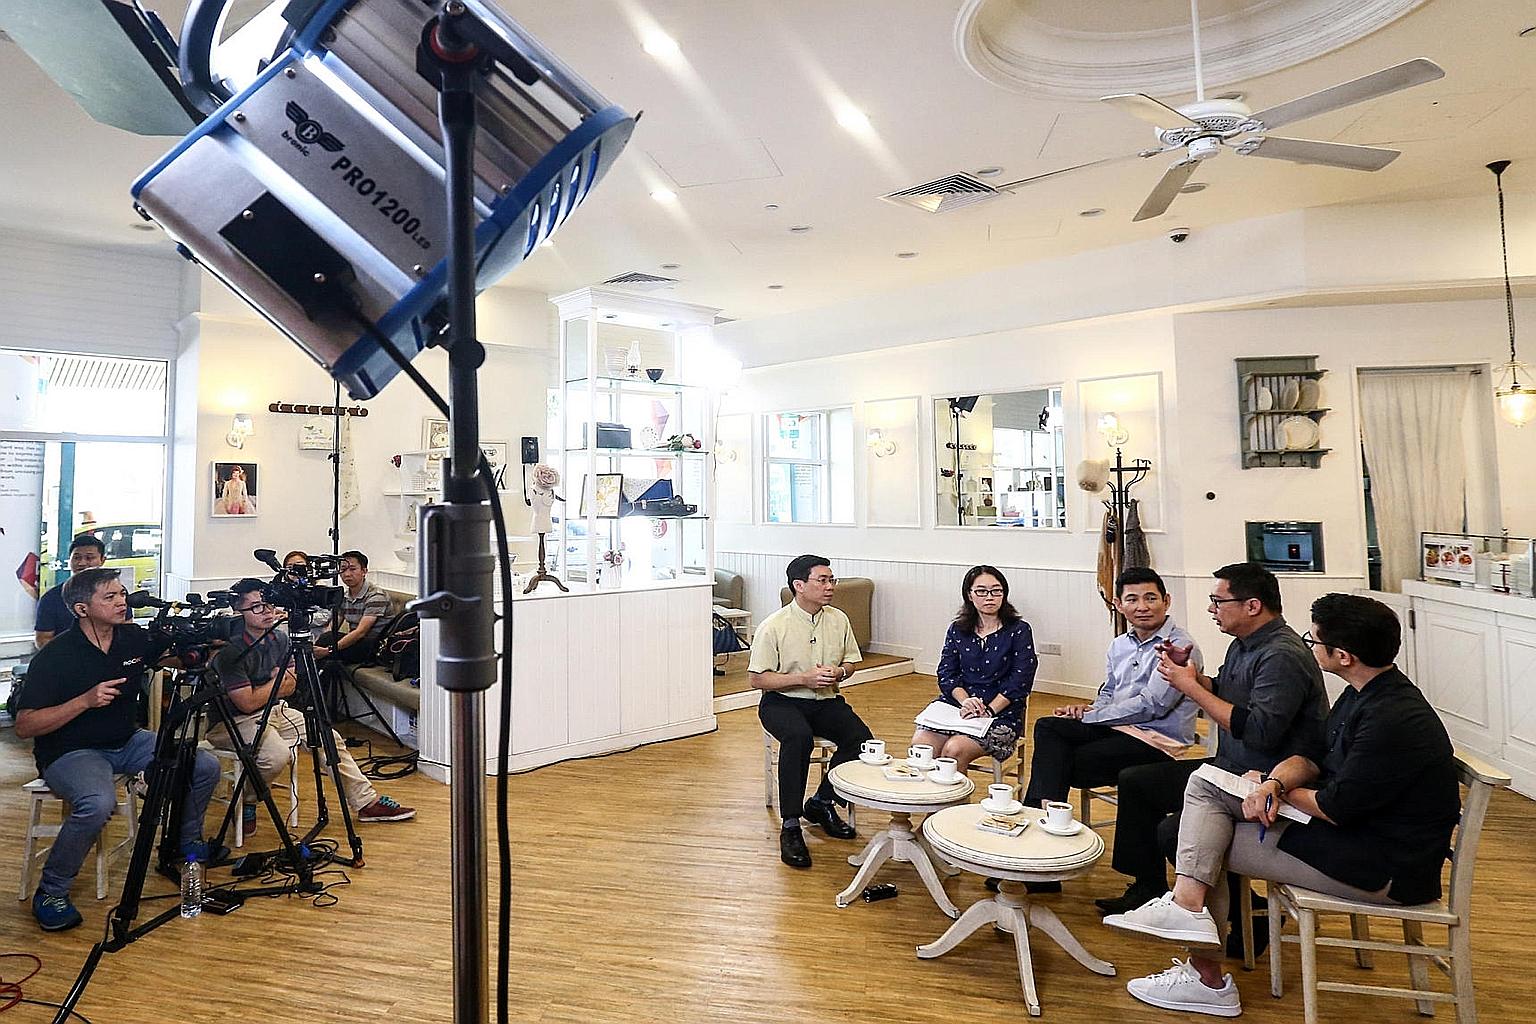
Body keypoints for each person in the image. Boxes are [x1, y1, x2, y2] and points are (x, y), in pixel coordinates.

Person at [1107, 593, 1461, 1017]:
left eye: (1316, 642)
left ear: (1343, 655)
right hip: (1352, 839)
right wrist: (1274, 782)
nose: (1310, 647)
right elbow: (1314, 759)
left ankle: (1204, 966)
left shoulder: (1391, 717)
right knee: (1204, 798)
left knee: (1200, 834)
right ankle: (1193, 932)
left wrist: (1276, 791)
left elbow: (1335, 806)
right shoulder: (1365, 693)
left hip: (1382, 867)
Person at [1095, 562, 1329, 924]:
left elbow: (1258, 731)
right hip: (1231, 767)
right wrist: (1192, 677)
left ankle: (1244, 914)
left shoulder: (1280, 655)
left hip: (1267, 777)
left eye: (1218, 601)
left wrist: (1189, 688)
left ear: (1252, 606)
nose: (1211, 609)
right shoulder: (1244, 645)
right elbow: (1224, 690)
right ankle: (1147, 886)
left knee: (1171, 830)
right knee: (1137, 782)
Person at [14, 567, 221, 931]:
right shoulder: (56, 655)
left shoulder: (131, 638)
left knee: (202, 765)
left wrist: (198, 653)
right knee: (97, 803)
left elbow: (163, 658)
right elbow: (25, 725)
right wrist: (83, 701)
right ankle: (50, 890)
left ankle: (184, 846)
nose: (122, 601)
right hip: (71, 752)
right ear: (81, 609)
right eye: (110, 597)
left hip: (126, 740)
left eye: (122, 594)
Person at [1022, 568, 1201, 893]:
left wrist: (1093, 718)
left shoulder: (1181, 647)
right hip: (1115, 730)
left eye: (1151, 598)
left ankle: (1038, 851)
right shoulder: (1120, 644)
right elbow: (1109, 691)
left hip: (1154, 742)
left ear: (1166, 601)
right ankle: (1042, 846)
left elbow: (1153, 705)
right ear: (1118, 604)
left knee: (1058, 764)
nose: (1142, 606)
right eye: (1132, 599)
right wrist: (1087, 710)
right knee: (1049, 727)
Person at [209, 578, 416, 826]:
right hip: (231, 722)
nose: (266, 611)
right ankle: (246, 800)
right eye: (255, 607)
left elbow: (291, 684)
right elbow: (246, 704)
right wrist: (276, 683)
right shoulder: (230, 651)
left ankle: (366, 803)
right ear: (238, 611)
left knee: (330, 738)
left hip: (274, 711)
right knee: (276, 755)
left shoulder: (280, 638)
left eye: (267, 604)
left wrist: (271, 687)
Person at [752, 554, 871, 869]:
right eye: (823, 580)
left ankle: (821, 801)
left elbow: (851, 663)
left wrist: (840, 673)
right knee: (799, 738)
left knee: (861, 739)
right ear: (799, 586)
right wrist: (801, 679)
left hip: (826, 699)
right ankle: (791, 824)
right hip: (782, 701)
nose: (830, 586)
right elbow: (757, 678)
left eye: (832, 580)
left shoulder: (839, 619)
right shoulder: (773, 626)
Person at [912, 565, 1036, 776]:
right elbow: (946, 674)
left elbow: (1020, 681)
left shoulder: (1019, 630)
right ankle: (931, 807)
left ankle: (954, 809)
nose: (990, 597)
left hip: (1000, 713)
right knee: (921, 745)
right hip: (958, 708)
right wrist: (966, 701)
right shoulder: (958, 629)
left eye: (996, 591)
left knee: (954, 749)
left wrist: (988, 711)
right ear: (969, 595)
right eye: (981, 591)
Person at [316, 550, 390, 665]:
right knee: (326, 641)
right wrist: (316, 647)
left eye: (352, 569)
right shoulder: (344, 596)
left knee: (328, 648)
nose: (347, 574)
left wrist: (328, 650)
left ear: (364, 571)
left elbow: (361, 632)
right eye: (343, 569)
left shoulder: (376, 596)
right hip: (354, 642)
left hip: (373, 646)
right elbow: (333, 626)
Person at [34, 534, 106, 648]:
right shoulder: (51, 598)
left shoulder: (116, 594)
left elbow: (126, 629)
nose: (82, 563)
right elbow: (42, 640)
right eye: (77, 558)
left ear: (102, 560)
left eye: (89, 558)